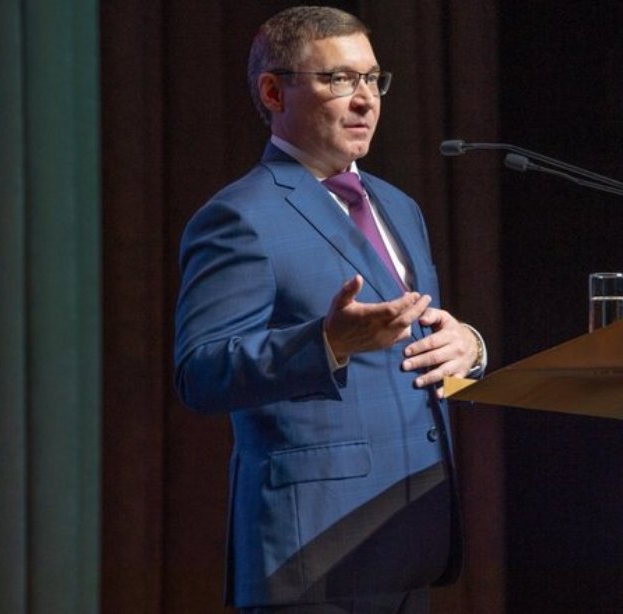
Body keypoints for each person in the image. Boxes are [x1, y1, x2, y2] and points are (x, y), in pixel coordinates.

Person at [173, 6, 486, 613]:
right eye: (339, 79)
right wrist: (327, 342)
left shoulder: (400, 206)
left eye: (372, 79)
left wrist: (467, 347)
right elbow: (200, 372)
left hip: (410, 532)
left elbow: (413, 341)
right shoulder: (239, 217)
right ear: (274, 92)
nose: (365, 98)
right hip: (313, 548)